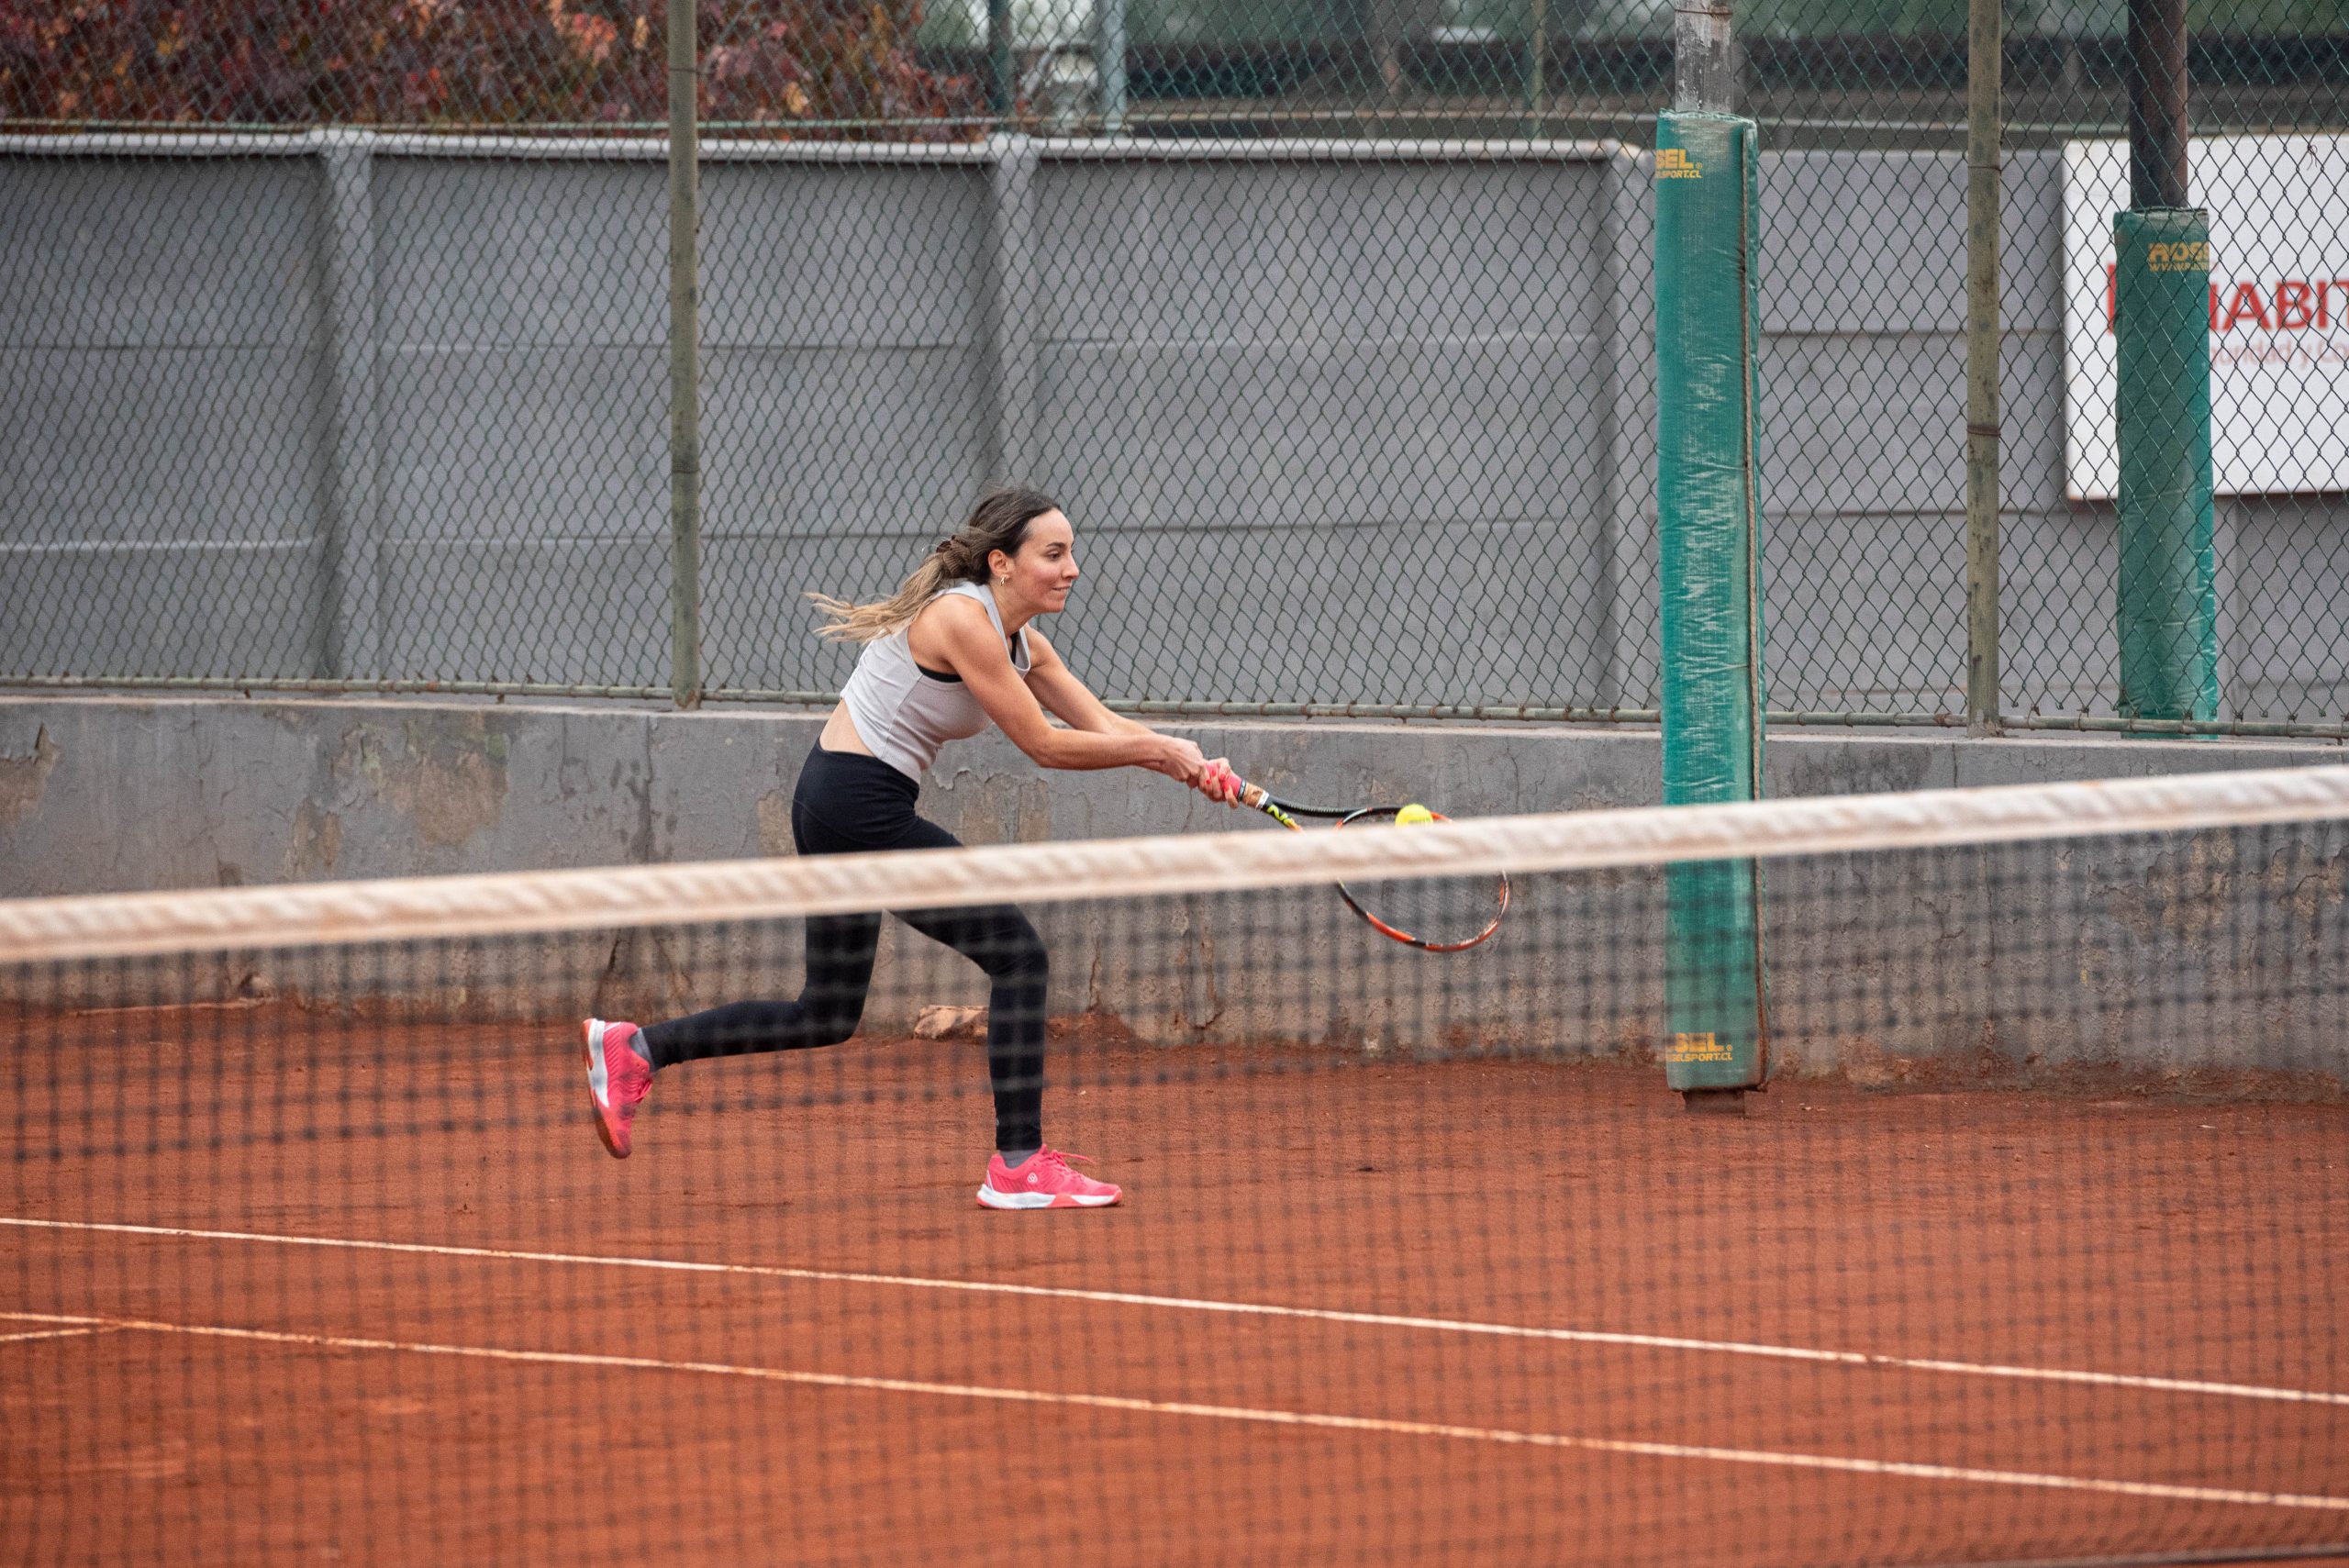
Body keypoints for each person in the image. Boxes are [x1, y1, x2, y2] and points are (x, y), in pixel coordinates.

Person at [582, 487, 1239, 1209]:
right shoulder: (961, 619)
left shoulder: (1024, 642)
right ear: (1002, 562)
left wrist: (1192, 763)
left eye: (1071, 553)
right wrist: (1161, 752)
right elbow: (1044, 744)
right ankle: (1018, 1162)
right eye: (1053, 554)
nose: (1071, 568)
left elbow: (1104, 725)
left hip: (835, 800)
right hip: (857, 804)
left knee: (827, 1012)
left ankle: (638, 1048)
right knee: (1019, 956)